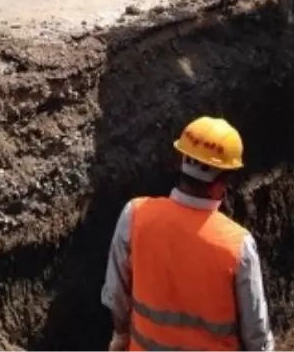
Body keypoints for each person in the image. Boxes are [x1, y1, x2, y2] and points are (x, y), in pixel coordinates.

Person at [101, 116, 276, 352]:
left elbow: (116, 297)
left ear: (180, 163)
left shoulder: (135, 215)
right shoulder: (237, 245)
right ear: (220, 184)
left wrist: (121, 337)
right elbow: (256, 334)